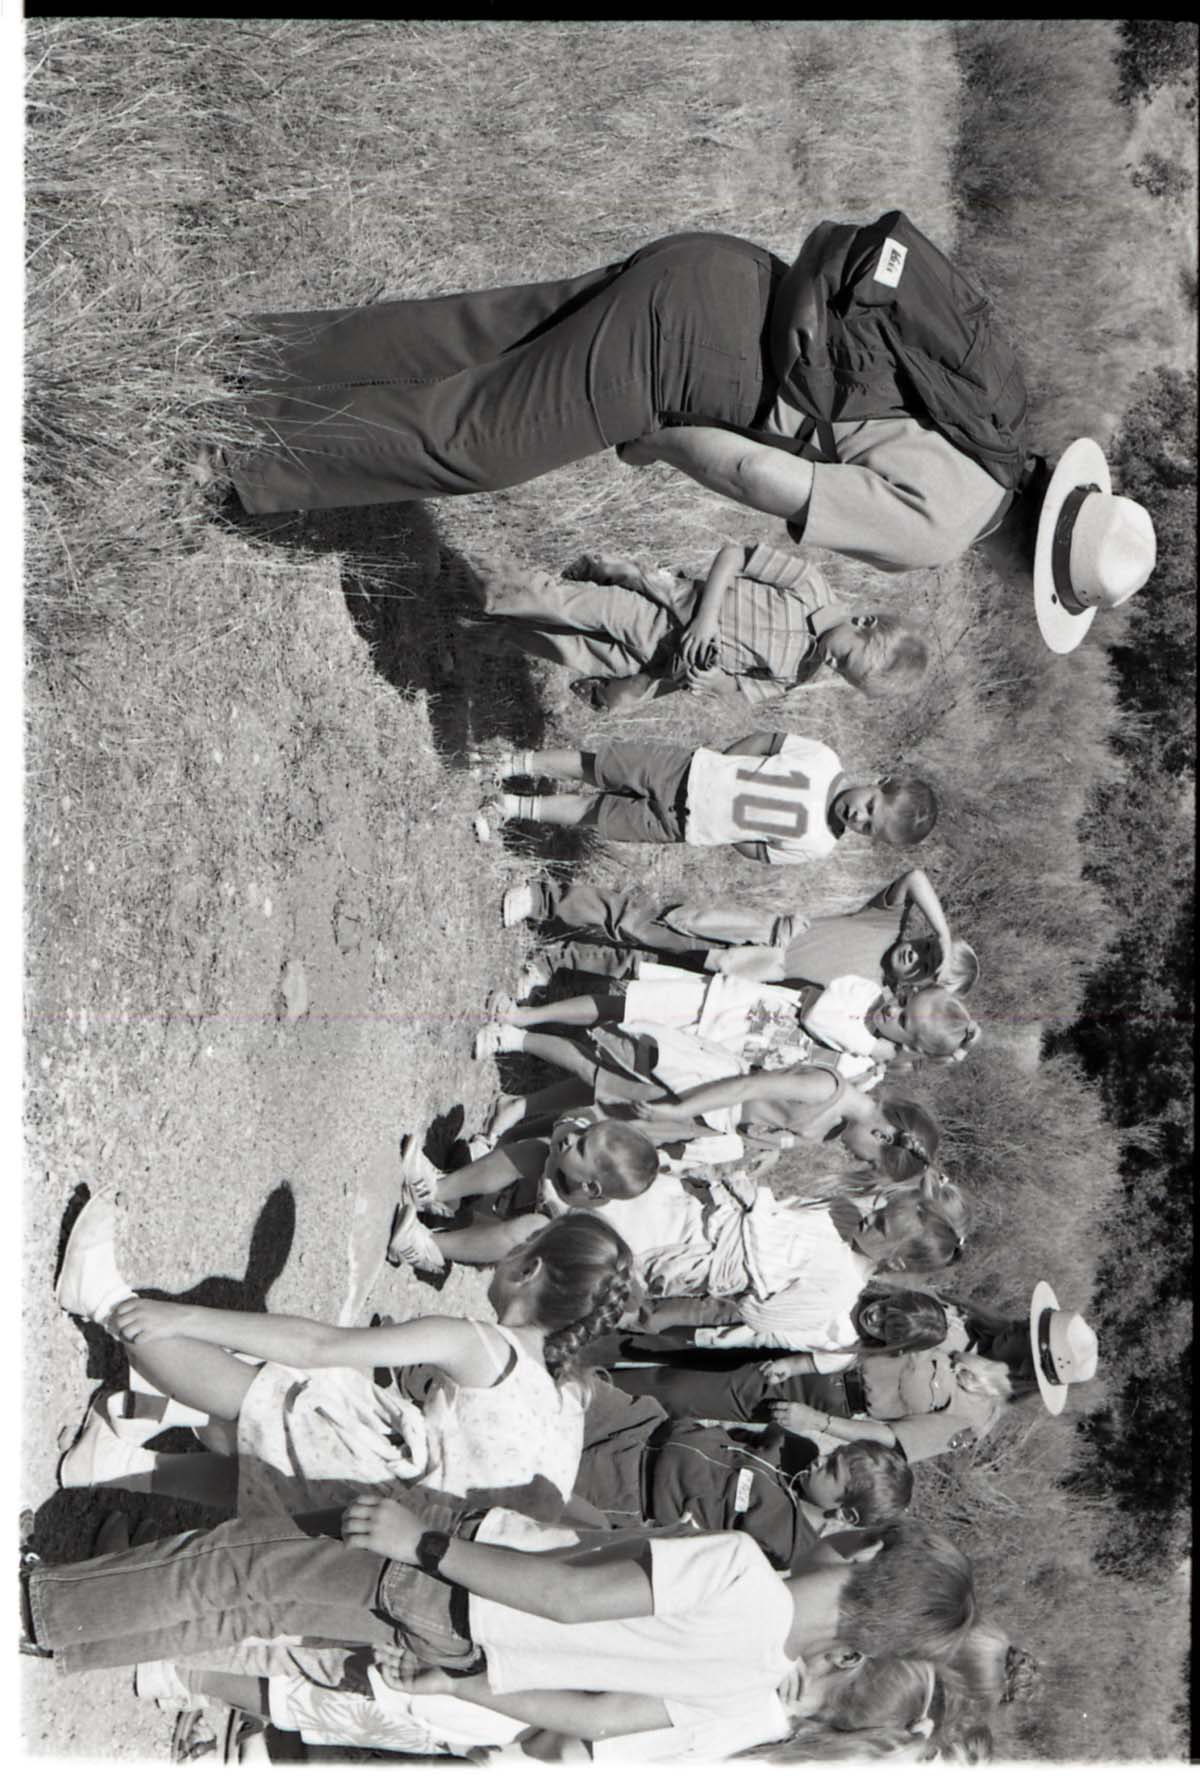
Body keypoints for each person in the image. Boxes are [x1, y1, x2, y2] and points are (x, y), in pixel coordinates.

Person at [204, 224, 1155, 651]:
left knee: (480, 334)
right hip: (689, 360)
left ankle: (245, 356)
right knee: (473, 443)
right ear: (1025, 571)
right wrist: (657, 439)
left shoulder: (994, 417)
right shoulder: (945, 526)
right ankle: (228, 451)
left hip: (724, 273)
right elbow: (755, 471)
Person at [23, 1488, 977, 1762]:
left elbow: (563, 1594)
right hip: (466, 1645)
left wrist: (425, 1541)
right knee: (249, 1590)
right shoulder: (756, 1691)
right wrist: (468, 1687)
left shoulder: (741, 1572)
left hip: (454, 1585)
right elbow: (599, 1720)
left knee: (240, 1575)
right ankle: (64, 1628)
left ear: (859, 1557)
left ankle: (40, 1611)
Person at [53, 1193, 633, 1521]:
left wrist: (183, 1316)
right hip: (372, 1532)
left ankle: (103, 1301)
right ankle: (109, 1468)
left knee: (299, 1395)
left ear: (528, 1268)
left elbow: (320, 1345)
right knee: (288, 1456)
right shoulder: (566, 1405)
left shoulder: (480, 1345)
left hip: (372, 1493)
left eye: (517, 1244)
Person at [396, 1118, 960, 1361]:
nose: (871, 1218)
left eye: (882, 1226)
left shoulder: (837, 1292)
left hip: (678, 1254)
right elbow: (890, 1181)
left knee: (544, 1234)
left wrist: (739, 1253)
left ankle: (429, 1249)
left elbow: (758, 1317)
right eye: (881, 1210)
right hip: (688, 1204)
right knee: (557, 1156)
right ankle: (438, 1190)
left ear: (899, 1260)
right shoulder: (842, 1214)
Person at [463, 541, 928, 713]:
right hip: (666, 613)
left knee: (568, 650)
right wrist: (705, 619)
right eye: (844, 658)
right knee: (565, 603)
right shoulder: (809, 585)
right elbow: (734, 555)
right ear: (864, 621)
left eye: (841, 674)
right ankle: (466, 579)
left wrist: (717, 681)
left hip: (661, 664)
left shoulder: (796, 675)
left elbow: (741, 691)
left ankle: (476, 633)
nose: (832, 664)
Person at [498, 864, 978, 1000]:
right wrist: (945, 932)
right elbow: (915, 878)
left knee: (642, 967)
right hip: (746, 931)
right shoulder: (884, 922)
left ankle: (551, 962)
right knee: (641, 922)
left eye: (927, 968)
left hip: (743, 974)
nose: (916, 957)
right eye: (925, 948)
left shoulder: (872, 997)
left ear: (918, 986)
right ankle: (544, 899)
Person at [474, 733, 937, 863]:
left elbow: (761, 850)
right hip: (687, 771)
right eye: (870, 806)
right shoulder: (822, 759)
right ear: (879, 780)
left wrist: (724, 829)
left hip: (685, 827)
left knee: (597, 814)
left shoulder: (817, 845)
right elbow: (767, 744)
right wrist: (720, 763)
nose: (857, 816)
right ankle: (516, 764)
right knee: (601, 765)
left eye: (866, 827)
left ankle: (513, 808)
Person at [475, 972, 980, 1087]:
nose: (893, 1012)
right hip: (724, 1000)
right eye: (905, 1004)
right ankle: (525, 1016)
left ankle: (522, 1044)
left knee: (621, 1058)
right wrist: (875, 1046)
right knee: (622, 1003)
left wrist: (873, 1060)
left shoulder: (863, 1072)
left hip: (720, 1053)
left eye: (903, 1025)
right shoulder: (862, 993)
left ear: (910, 1046)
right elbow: (816, 1018)